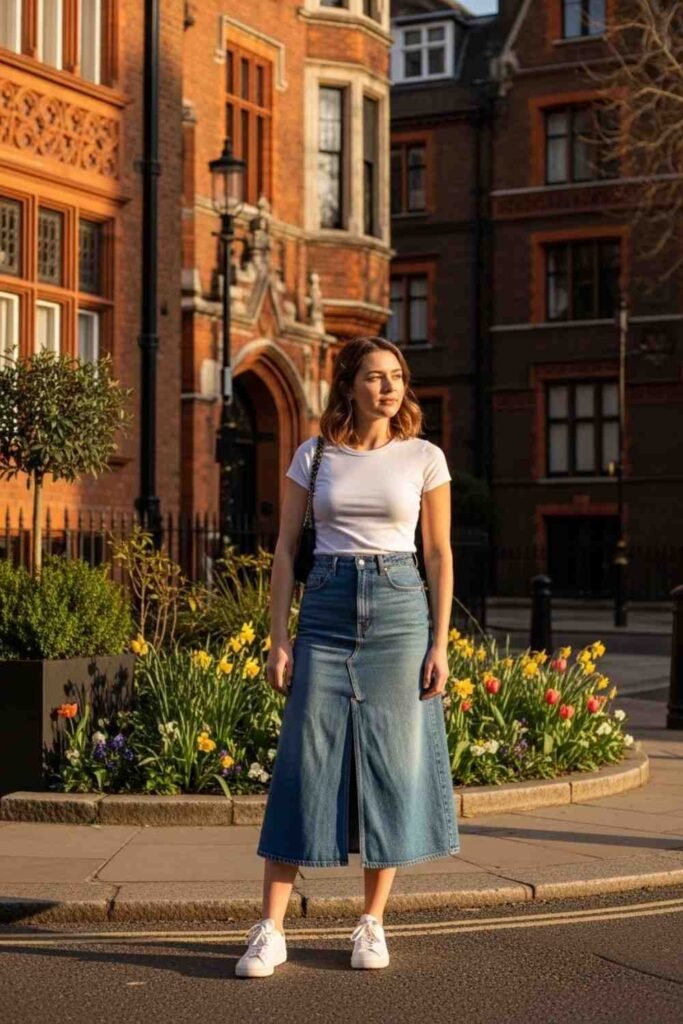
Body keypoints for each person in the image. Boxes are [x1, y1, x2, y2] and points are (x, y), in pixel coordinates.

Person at [235, 336, 459, 978]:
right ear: (350, 385)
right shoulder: (315, 453)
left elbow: (438, 555)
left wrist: (440, 642)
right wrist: (279, 638)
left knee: (390, 762)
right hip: (328, 608)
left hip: (398, 609)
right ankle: (271, 929)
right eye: (374, 376)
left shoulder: (425, 457)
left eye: (396, 377)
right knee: (304, 760)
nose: (388, 387)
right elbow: (284, 552)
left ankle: (371, 923)